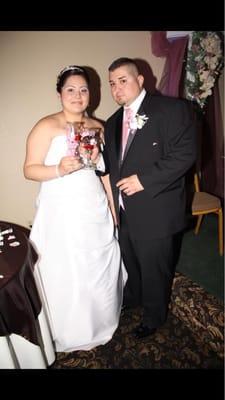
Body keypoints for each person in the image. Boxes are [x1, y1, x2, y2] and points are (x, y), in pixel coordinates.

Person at [24, 65, 127, 352]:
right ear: (60, 94)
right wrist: (58, 168)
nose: (78, 95)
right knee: (65, 265)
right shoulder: (46, 126)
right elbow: (29, 169)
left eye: (83, 89)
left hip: (92, 203)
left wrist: (112, 205)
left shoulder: (98, 126)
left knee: (97, 263)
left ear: (90, 94)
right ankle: (67, 327)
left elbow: (105, 172)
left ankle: (100, 320)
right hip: (61, 207)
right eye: (71, 89)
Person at [103, 57, 197, 339]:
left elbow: (185, 154)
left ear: (140, 79)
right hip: (124, 209)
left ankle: (155, 316)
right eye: (112, 84)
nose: (116, 89)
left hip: (157, 207)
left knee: (155, 267)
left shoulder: (173, 109)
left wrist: (144, 180)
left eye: (123, 80)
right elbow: (113, 162)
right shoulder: (112, 121)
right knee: (131, 260)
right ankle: (134, 298)